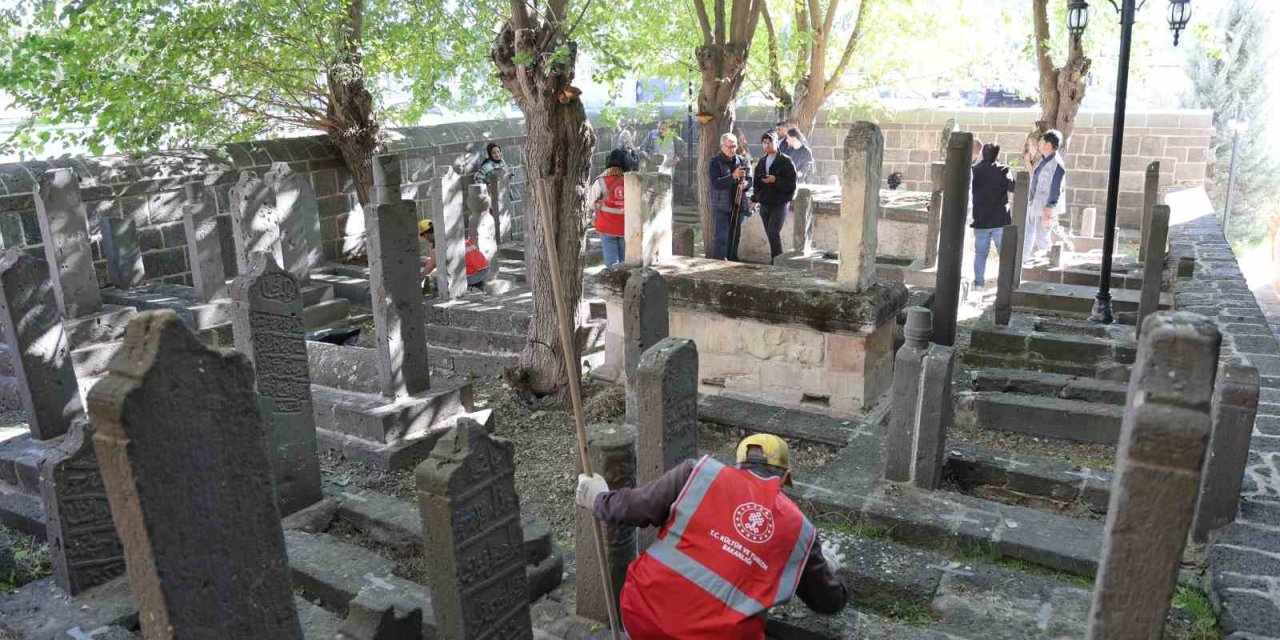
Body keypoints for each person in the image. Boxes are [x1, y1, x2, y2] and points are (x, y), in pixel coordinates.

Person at [576, 434, 848, 639]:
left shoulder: (698, 474)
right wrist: (826, 567)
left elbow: (632, 508)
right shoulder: (800, 530)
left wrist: (598, 498)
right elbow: (829, 602)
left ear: (738, 464)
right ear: (785, 476)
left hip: (643, 615)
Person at [970, 143, 1015, 293]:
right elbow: (1013, 187)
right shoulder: (1003, 170)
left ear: (983, 154)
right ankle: (1005, 283)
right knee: (1004, 254)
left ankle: (979, 284)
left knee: (980, 254)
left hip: (980, 219)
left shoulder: (974, 170)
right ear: (997, 155)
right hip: (1000, 219)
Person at [751, 131, 798, 265]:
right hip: (765, 202)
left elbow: (792, 184)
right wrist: (755, 199)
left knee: (773, 233)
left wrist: (775, 180)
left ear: (776, 143)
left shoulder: (785, 161)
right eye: (764, 142)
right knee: (771, 236)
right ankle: (777, 260)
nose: (767, 145)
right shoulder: (761, 161)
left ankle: (777, 263)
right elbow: (756, 183)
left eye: (769, 142)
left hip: (780, 203)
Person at [708, 133, 752, 260]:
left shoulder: (741, 160)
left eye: (735, 146)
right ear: (722, 146)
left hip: (738, 205)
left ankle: (732, 262)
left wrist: (746, 184)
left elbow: (749, 179)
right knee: (721, 239)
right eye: (730, 147)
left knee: (734, 238)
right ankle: (718, 263)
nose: (733, 149)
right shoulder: (715, 162)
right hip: (722, 206)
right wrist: (733, 176)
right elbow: (716, 183)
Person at [1024, 129, 1067, 261]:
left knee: (1042, 239)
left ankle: (1046, 266)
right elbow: (1036, 179)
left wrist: (1048, 211)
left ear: (1048, 145)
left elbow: (1056, 189)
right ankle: (1023, 263)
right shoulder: (1043, 160)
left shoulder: (1057, 164)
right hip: (1034, 205)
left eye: (1042, 140)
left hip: (1044, 209)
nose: (1039, 143)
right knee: (1027, 237)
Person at [418, 219, 489, 291]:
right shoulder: (449, 234)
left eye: (424, 237)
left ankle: (467, 290)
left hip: (474, 274)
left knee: (435, 276)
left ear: (426, 234)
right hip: (484, 268)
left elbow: (432, 264)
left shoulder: (439, 242)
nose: (426, 239)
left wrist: (421, 276)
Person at [588, 149, 629, 266]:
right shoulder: (631, 180)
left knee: (612, 264)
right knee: (625, 263)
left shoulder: (600, 181)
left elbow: (591, 202)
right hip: (626, 226)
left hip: (607, 227)